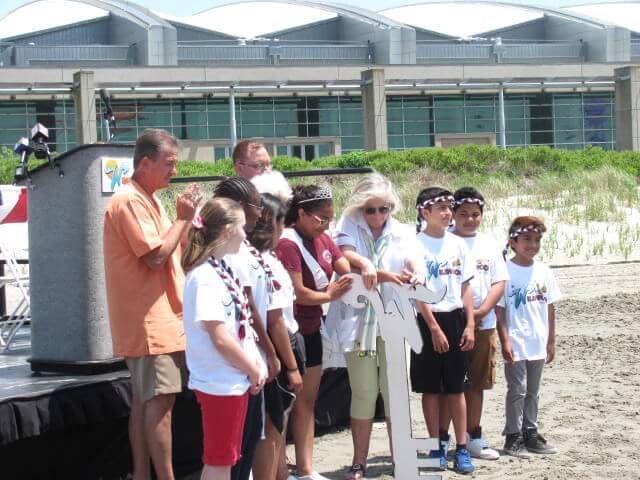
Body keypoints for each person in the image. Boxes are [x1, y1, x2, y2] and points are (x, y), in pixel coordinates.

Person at [103, 128, 202, 480]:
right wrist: (182, 219)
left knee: (146, 403)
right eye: (169, 163)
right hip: (150, 320)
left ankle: (143, 475)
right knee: (159, 406)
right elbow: (156, 257)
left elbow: (171, 247)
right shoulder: (129, 200)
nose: (174, 170)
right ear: (145, 163)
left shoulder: (149, 198)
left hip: (161, 316)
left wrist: (186, 221)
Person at [326, 173, 421, 479]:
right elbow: (346, 255)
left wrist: (415, 275)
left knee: (395, 391)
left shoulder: (403, 232)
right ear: (359, 208)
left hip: (393, 318)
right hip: (359, 322)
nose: (378, 216)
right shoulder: (347, 224)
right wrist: (369, 265)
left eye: (383, 209)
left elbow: (413, 261)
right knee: (364, 391)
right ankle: (358, 461)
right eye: (371, 209)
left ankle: (401, 459)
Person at [181, 197, 267, 480]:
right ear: (228, 230)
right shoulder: (204, 277)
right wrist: (252, 368)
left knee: (226, 458)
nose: (246, 234)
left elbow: (237, 326)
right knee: (220, 461)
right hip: (219, 382)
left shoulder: (220, 269)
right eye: (242, 227)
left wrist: (254, 361)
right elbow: (219, 337)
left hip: (231, 380)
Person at [275, 185, 352, 480]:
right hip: (289, 331)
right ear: (302, 213)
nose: (326, 224)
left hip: (312, 327)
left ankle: (306, 468)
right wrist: (330, 295)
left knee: (307, 400)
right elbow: (298, 293)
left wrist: (353, 270)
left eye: (330, 218)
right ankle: (279, 469)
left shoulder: (322, 237)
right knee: (284, 405)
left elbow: (340, 263)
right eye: (320, 219)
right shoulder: (288, 244)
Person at [213, 177, 280, 480]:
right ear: (238, 208)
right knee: (232, 451)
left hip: (247, 360)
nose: (261, 213)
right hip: (234, 367)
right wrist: (269, 354)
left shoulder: (241, 251)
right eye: (256, 205)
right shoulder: (227, 256)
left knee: (250, 439)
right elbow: (249, 311)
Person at [438, 187, 508, 460]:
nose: (470, 219)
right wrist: (465, 317)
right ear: (453, 214)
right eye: (463, 214)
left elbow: (498, 282)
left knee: (476, 384)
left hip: (484, 323)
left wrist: (480, 313)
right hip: (451, 323)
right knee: (448, 385)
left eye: (475, 214)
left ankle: (473, 436)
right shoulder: (443, 241)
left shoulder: (489, 243)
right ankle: (443, 438)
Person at [410, 187, 476, 474]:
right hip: (426, 321)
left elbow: (465, 286)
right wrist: (434, 328)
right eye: (442, 208)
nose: (448, 213)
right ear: (425, 212)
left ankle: (461, 448)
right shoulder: (414, 246)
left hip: (455, 318)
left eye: (450, 207)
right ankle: (436, 446)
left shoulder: (458, 245)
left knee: (456, 388)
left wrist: (471, 323)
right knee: (431, 389)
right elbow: (417, 291)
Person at [250, 193, 305, 480]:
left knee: (279, 423)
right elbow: (275, 320)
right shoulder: (260, 261)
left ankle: (281, 473)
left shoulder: (268, 257)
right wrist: (291, 365)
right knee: (271, 427)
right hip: (278, 349)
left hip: (283, 343)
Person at [496, 216, 560, 458]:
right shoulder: (505, 272)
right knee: (517, 390)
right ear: (513, 241)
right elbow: (500, 311)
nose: (532, 245)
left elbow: (550, 307)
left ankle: (530, 433)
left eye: (537, 240)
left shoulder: (543, 270)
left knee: (533, 390)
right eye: (526, 240)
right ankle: (513, 436)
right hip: (516, 341)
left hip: (537, 341)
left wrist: (551, 340)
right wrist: (505, 341)